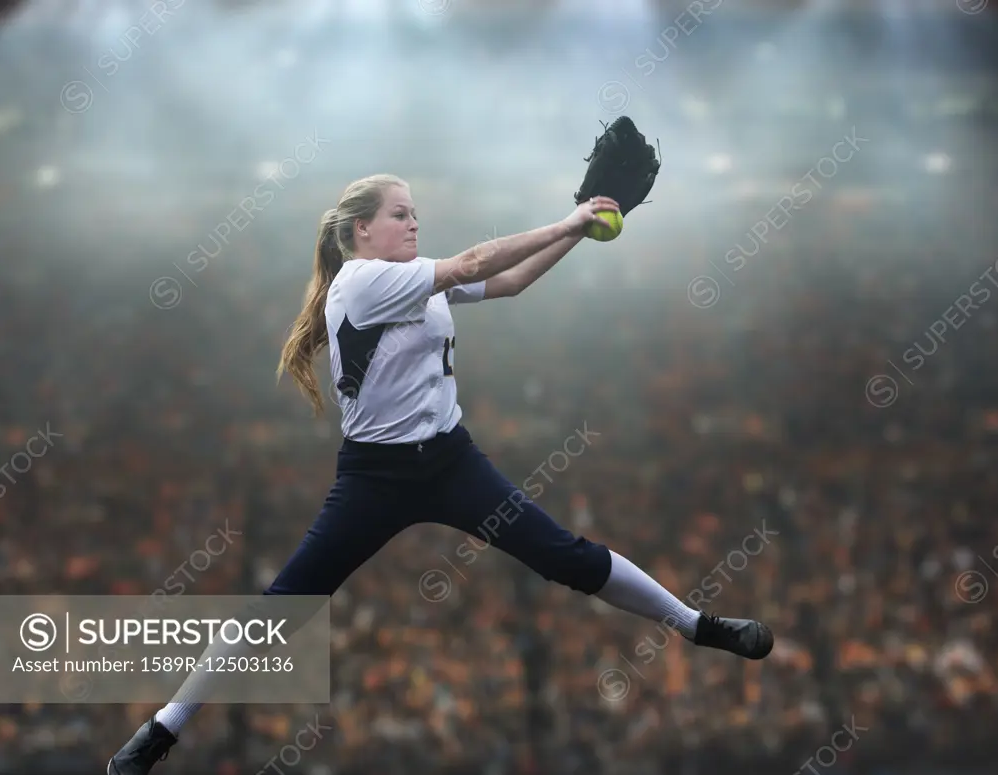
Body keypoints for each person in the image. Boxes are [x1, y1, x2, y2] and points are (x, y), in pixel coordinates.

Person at [108, 173, 772, 775]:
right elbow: (477, 261)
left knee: (563, 554)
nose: (413, 223)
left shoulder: (417, 277)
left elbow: (508, 280)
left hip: (452, 460)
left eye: (415, 213)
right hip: (377, 476)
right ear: (360, 230)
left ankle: (695, 623)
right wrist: (570, 221)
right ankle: (162, 730)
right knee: (285, 606)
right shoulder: (362, 281)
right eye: (400, 214)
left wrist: (579, 228)